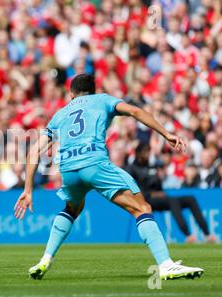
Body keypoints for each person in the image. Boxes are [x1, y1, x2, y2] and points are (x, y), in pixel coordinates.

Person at [14, 73, 204, 281]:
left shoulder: (60, 114)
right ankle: (166, 265)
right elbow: (134, 110)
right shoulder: (103, 99)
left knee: (72, 208)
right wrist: (166, 134)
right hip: (94, 163)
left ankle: (45, 259)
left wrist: (28, 189)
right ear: (93, 90)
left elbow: (34, 152)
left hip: (68, 170)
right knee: (142, 208)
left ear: (71, 94)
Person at [126, 143, 216, 243]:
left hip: (160, 197)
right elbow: (134, 190)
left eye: (148, 151)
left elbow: (158, 186)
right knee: (173, 201)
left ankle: (207, 234)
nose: (147, 154)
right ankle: (188, 235)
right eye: (144, 152)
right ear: (138, 154)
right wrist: (152, 194)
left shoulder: (153, 167)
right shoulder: (131, 169)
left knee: (190, 199)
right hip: (146, 200)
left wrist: (159, 180)